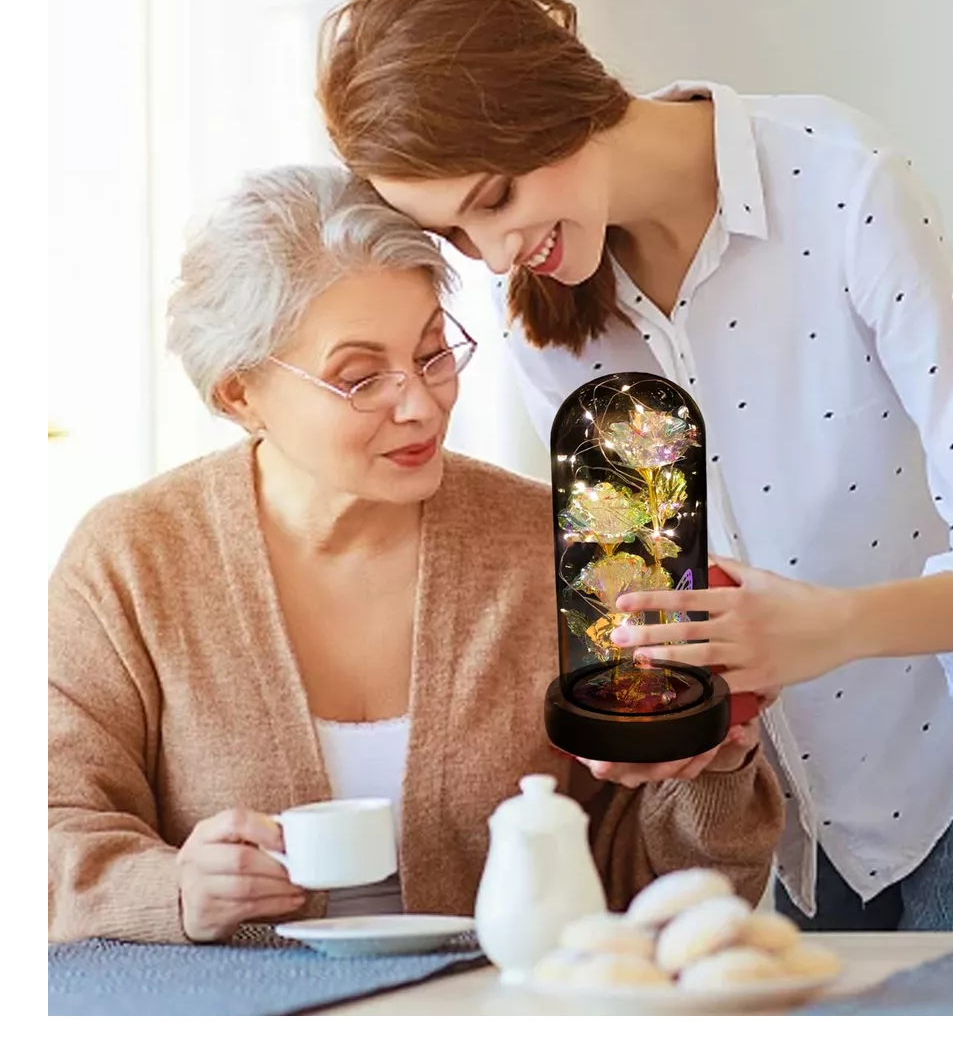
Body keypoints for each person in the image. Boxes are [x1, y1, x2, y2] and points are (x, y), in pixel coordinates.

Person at [314, 0, 953, 932]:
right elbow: (661, 594)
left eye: (493, 198)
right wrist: (675, 716)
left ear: (553, 95)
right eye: (455, 232)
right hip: (793, 841)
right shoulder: (542, 318)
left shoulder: (841, 185)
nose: (493, 255)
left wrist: (831, 628)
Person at [48, 164, 783, 945]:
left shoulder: (557, 548)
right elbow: (48, 826)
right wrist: (173, 891)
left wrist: (712, 764)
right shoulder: (131, 559)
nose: (421, 403)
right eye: (361, 378)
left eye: (433, 353)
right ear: (239, 395)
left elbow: (662, 893)